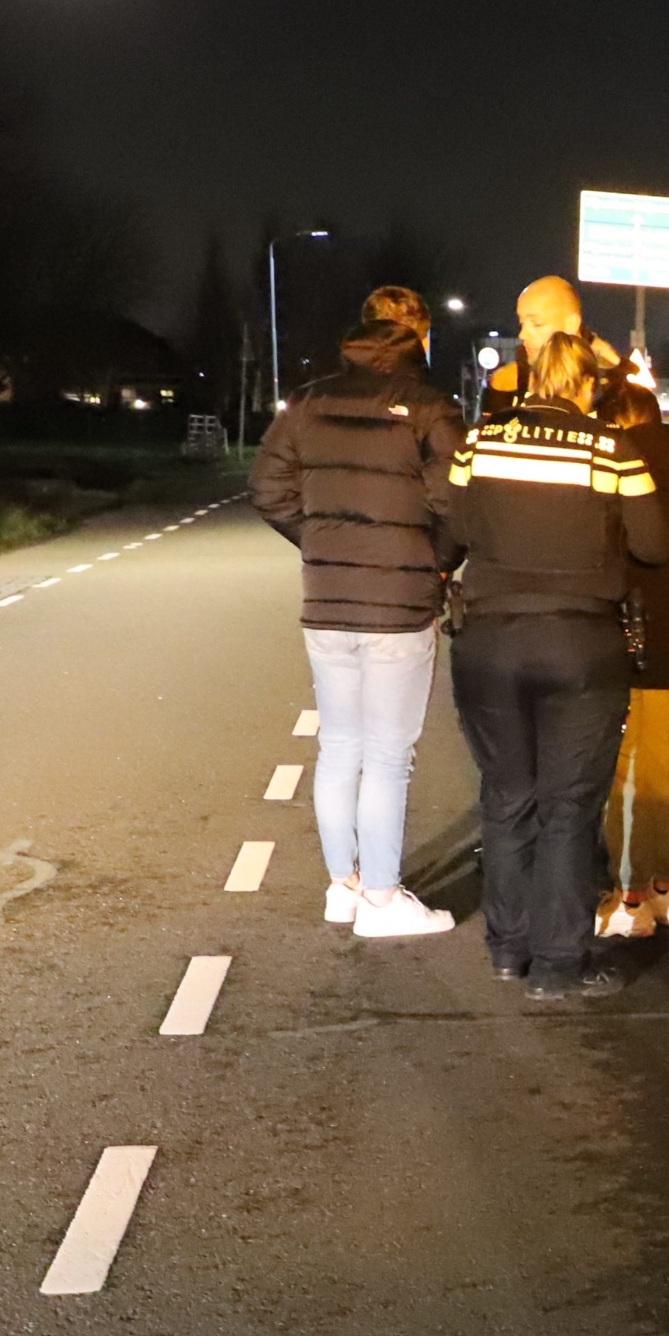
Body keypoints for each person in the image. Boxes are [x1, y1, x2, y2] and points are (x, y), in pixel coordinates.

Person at [442, 330, 669, 1000]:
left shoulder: (478, 443)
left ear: (531, 378)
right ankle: (557, 964)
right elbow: (654, 546)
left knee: (507, 797)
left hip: (488, 643)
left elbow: (450, 532)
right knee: (569, 808)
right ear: (586, 386)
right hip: (581, 646)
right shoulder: (612, 450)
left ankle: (507, 951)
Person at [249, 285, 463, 938]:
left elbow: (267, 489)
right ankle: (380, 897)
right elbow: (459, 500)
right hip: (399, 605)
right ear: (418, 335)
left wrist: (321, 541)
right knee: (389, 753)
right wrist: (436, 561)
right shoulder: (430, 408)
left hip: (327, 601)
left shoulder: (309, 401)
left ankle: (343, 884)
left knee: (339, 744)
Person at [590, 380, 669, 936]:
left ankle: (630, 899)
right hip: (668, 632)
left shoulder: (627, 469)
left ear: (619, 424)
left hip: (627, 634)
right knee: (660, 759)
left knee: (625, 766)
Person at [480, 275, 629, 419]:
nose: (522, 335)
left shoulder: (611, 386)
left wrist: (619, 368)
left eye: (537, 324)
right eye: (521, 323)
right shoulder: (507, 382)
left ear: (571, 324)